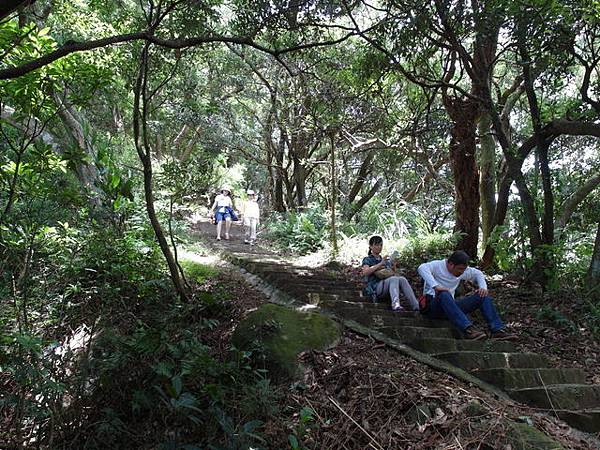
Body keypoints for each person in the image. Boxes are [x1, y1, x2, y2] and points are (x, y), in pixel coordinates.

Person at [417, 250, 517, 340]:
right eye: (459, 269)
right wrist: (436, 286)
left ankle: (497, 330)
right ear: (451, 264)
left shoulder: (461, 271)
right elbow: (422, 268)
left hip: (450, 308)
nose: (461, 272)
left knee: (483, 296)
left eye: (463, 270)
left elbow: (478, 273)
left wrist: (483, 287)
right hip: (433, 307)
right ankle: (468, 329)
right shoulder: (437, 265)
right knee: (443, 293)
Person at [361, 235, 420, 311]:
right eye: (376, 245)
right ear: (371, 246)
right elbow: (365, 272)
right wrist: (381, 263)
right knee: (394, 279)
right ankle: (396, 305)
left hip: (387, 285)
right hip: (375, 288)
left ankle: (416, 306)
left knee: (402, 279)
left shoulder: (385, 260)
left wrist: (393, 266)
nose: (379, 247)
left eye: (381, 245)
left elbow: (392, 274)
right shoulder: (367, 259)